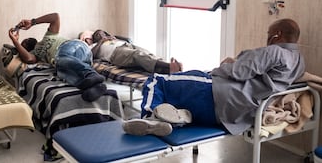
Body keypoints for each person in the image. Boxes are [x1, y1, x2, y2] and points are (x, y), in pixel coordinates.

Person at [123, 18, 305, 136]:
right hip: (232, 115)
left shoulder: (275, 52)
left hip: (218, 94)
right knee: (185, 84)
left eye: (268, 35)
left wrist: (225, 64)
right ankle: (176, 118)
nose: (267, 38)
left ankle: (149, 118)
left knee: (158, 80)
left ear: (277, 35)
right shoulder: (298, 61)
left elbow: (238, 71)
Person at [8, 12, 107, 102]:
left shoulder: (49, 35)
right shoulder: (36, 55)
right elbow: (28, 59)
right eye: (22, 45)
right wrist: (15, 41)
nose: (24, 42)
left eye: (25, 40)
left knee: (58, 59)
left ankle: (91, 74)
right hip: (80, 61)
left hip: (76, 47)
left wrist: (32, 22)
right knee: (63, 73)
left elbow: (55, 17)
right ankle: (96, 86)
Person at [79, 29, 181, 74]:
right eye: (97, 35)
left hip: (126, 45)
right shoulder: (95, 45)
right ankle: (169, 66)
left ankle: (168, 69)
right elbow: (91, 55)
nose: (101, 35)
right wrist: (101, 41)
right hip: (116, 53)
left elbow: (128, 40)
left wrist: (114, 37)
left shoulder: (111, 38)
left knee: (144, 52)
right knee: (137, 55)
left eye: (102, 33)